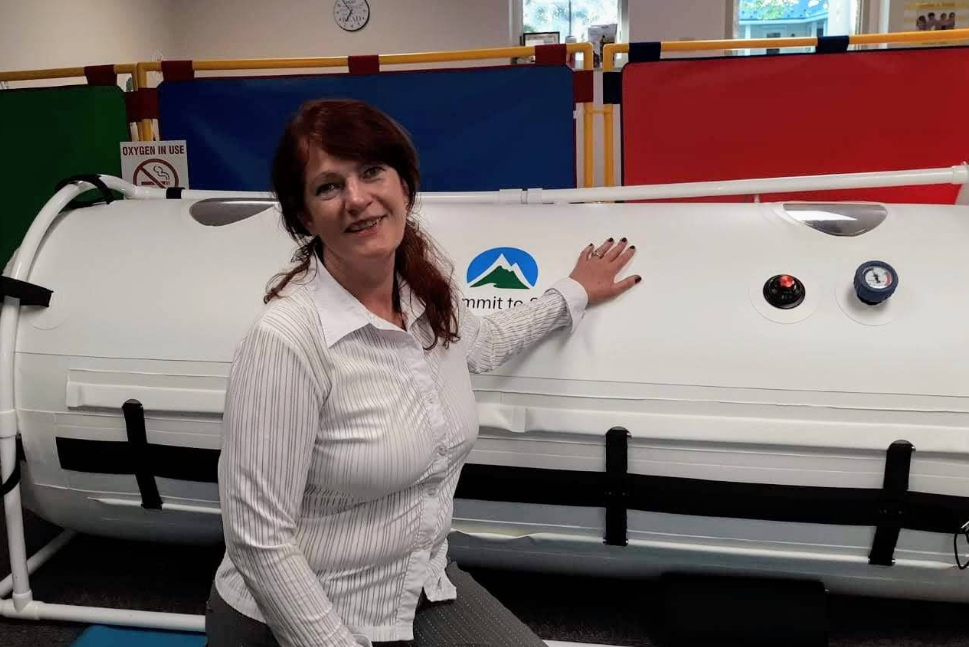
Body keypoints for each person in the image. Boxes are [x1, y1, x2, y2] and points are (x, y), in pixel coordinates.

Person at [206, 98, 642, 647]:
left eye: (371, 171)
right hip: (295, 617)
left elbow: (484, 343)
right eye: (329, 186)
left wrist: (572, 292)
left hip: (414, 585)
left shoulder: (424, 293)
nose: (357, 198)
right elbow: (258, 541)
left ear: (404, 185)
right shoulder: (287, 340)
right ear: (305, 216)